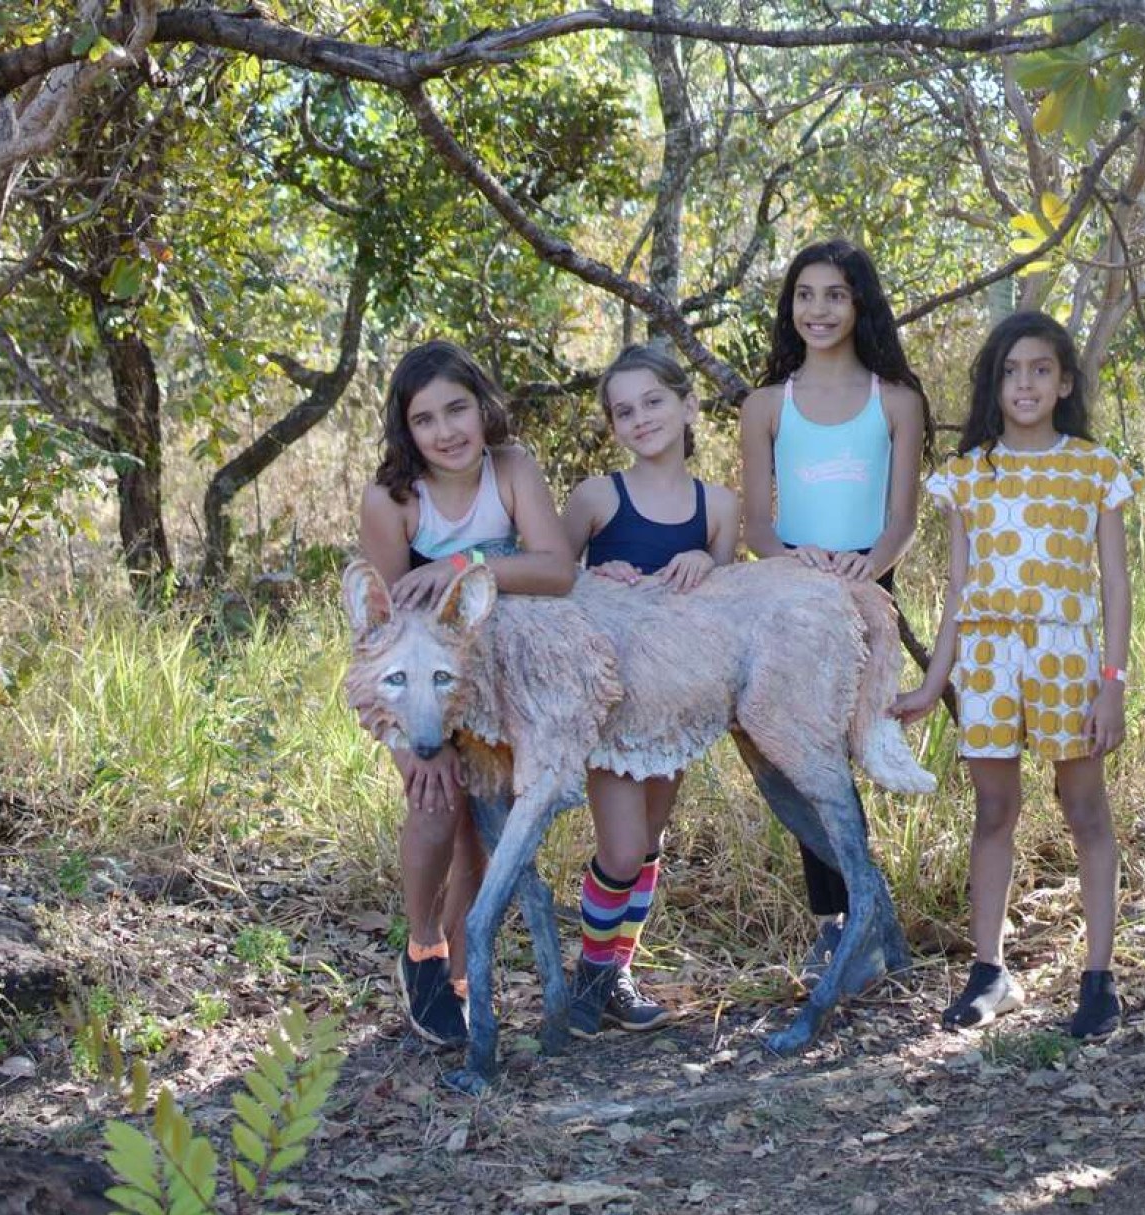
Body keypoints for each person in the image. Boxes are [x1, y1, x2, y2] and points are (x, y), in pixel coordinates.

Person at [893, 311, 1136, 1039]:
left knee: (1084, 807)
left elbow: (1116, 584)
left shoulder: (1094, 468)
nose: (1023, 383)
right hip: (989, 657)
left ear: (1063, 381)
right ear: (993, 384)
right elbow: (958, 591)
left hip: (1067, 655)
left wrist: (1113, 680)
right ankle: (990, 970)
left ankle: (1099, 977)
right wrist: (936, 682)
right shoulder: (970, 475)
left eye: (1039, 369)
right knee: (993, 810)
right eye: (1009, 371)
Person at [359, 339, 574, 1047]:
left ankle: (460, 966)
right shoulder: (393, 501)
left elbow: (556, 570)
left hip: (495, 683)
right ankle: (421, 951)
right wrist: (407, 738)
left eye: (458, 409)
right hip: (418, 690)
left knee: (484, 827)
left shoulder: (511, 470)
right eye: (426, 419)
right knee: (434, 802)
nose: (446, 431)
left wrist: (465, 559)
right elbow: (381, 631)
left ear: (483, 407)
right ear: (405, 428)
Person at [739, 239, 931, 988]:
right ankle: (840, 924)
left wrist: (869, 566)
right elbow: (758, 523)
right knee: (811, 761)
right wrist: (797, 566)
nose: (818, 309)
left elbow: (903, 516)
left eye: (835, 296)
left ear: (861, 306)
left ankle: (870, 915)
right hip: (795, 593)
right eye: (805, 295)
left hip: (870, 587)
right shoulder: (766, 405)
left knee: (862, 754)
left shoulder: (896, 400)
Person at [561, 343, 739, 1034]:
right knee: (621, 847)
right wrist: (590, 581)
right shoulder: (599, 496)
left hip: (676, 703)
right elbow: (549, 576)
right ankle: (591, 973)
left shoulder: (718, 506)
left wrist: (704, 560)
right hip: (610, 702)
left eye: (653, 402)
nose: (640, 419)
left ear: (688, 405)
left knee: (649, 843)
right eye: (623, 410)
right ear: (613, 426)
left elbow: (725, 605)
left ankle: (618, 975)